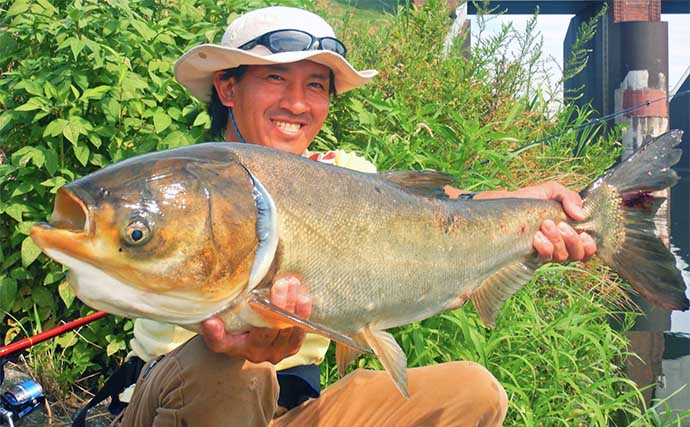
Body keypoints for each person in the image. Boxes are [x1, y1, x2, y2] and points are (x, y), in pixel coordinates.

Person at [121, 7, 596, 426]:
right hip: (176, 402)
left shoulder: (346, 177)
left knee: (472, 391)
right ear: (227, 86)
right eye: (275, 79)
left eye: (315, 86)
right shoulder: (184, 184)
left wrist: (536, 209)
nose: (298, 103)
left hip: (294, 408)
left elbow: (443, 211)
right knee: (233, 371)